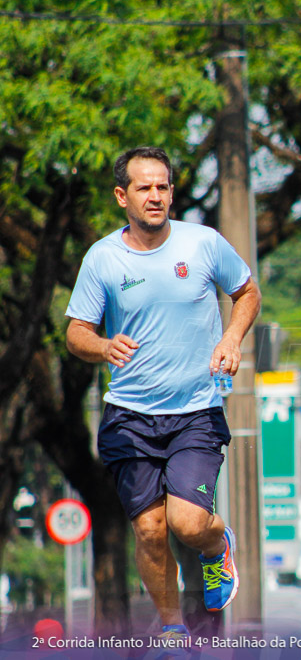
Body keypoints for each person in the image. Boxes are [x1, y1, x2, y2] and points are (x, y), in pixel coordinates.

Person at [65, 147, 261, 642]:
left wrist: (231, 338)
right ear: (121, 196)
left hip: (196, 410)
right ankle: (173, 630)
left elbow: (247, 293)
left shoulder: (203, 244)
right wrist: (104, 345)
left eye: (163, 186)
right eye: (144, 187)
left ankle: (218, 548)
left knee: (189, 524)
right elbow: (76, 333)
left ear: (172, 192)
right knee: (150, 531)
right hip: (129, 415)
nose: (155, 196)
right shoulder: (103, 258)